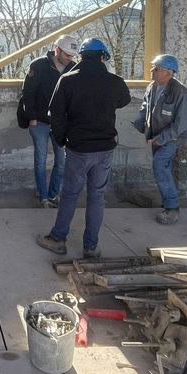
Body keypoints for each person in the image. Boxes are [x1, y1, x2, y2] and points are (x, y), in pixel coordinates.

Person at [35, 38, 131, 258]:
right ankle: (91, 246)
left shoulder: (68, 80)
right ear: (103, 57)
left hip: (78, 148)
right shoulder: (114, 81)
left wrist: (62, 140)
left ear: (81, 56)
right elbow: (124, 100)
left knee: (70, 194)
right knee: (97, 196)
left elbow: (55, 114)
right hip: (105, 148)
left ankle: (58, 239)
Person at [132, 54, 187, 225]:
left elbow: (181, 124)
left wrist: (162, 138)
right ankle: (168, 201)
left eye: (156, 69)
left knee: (159, 164)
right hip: (156, 135)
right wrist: (140, 124)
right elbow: (146, 107)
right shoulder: (152, 87)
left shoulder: (181, 93)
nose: (152, 71)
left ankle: (172, 208)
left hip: (174, 138)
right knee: (163, 168)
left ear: (168, 73)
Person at [20, 34, 80, 207]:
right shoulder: (38, 65)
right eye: (67, 54)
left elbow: (75, 97)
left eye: (72, 55)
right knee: (40, 161)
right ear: (57, 50)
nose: (69, 58)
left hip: (61, 124)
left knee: (61, 161)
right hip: (39, 122)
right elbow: (28, 93)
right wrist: (32, 118)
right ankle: (43, 196)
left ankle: (53, 194)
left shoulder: (74, 68)